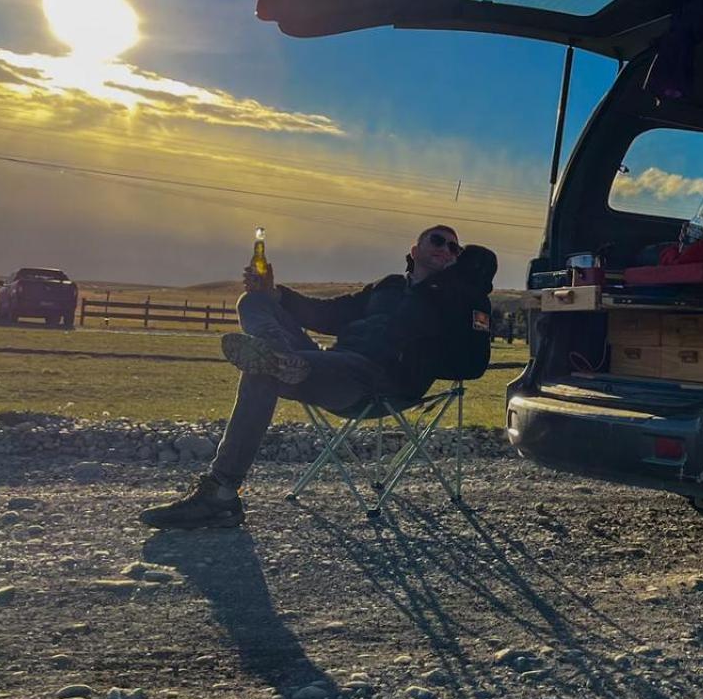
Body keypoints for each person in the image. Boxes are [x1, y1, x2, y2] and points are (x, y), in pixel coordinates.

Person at [140, 225, 469, 529]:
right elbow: (328, 314)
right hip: (328, 365)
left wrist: (464, 287)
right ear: (414, 250)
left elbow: (469, 360)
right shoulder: (388, 286)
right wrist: (276, 294)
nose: (446, 249)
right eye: (437, 240)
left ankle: (221, 492)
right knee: (254, 302)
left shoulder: (451, 301)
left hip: (376, 382)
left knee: (262, 368)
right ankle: (281, 357)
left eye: (455, 248)